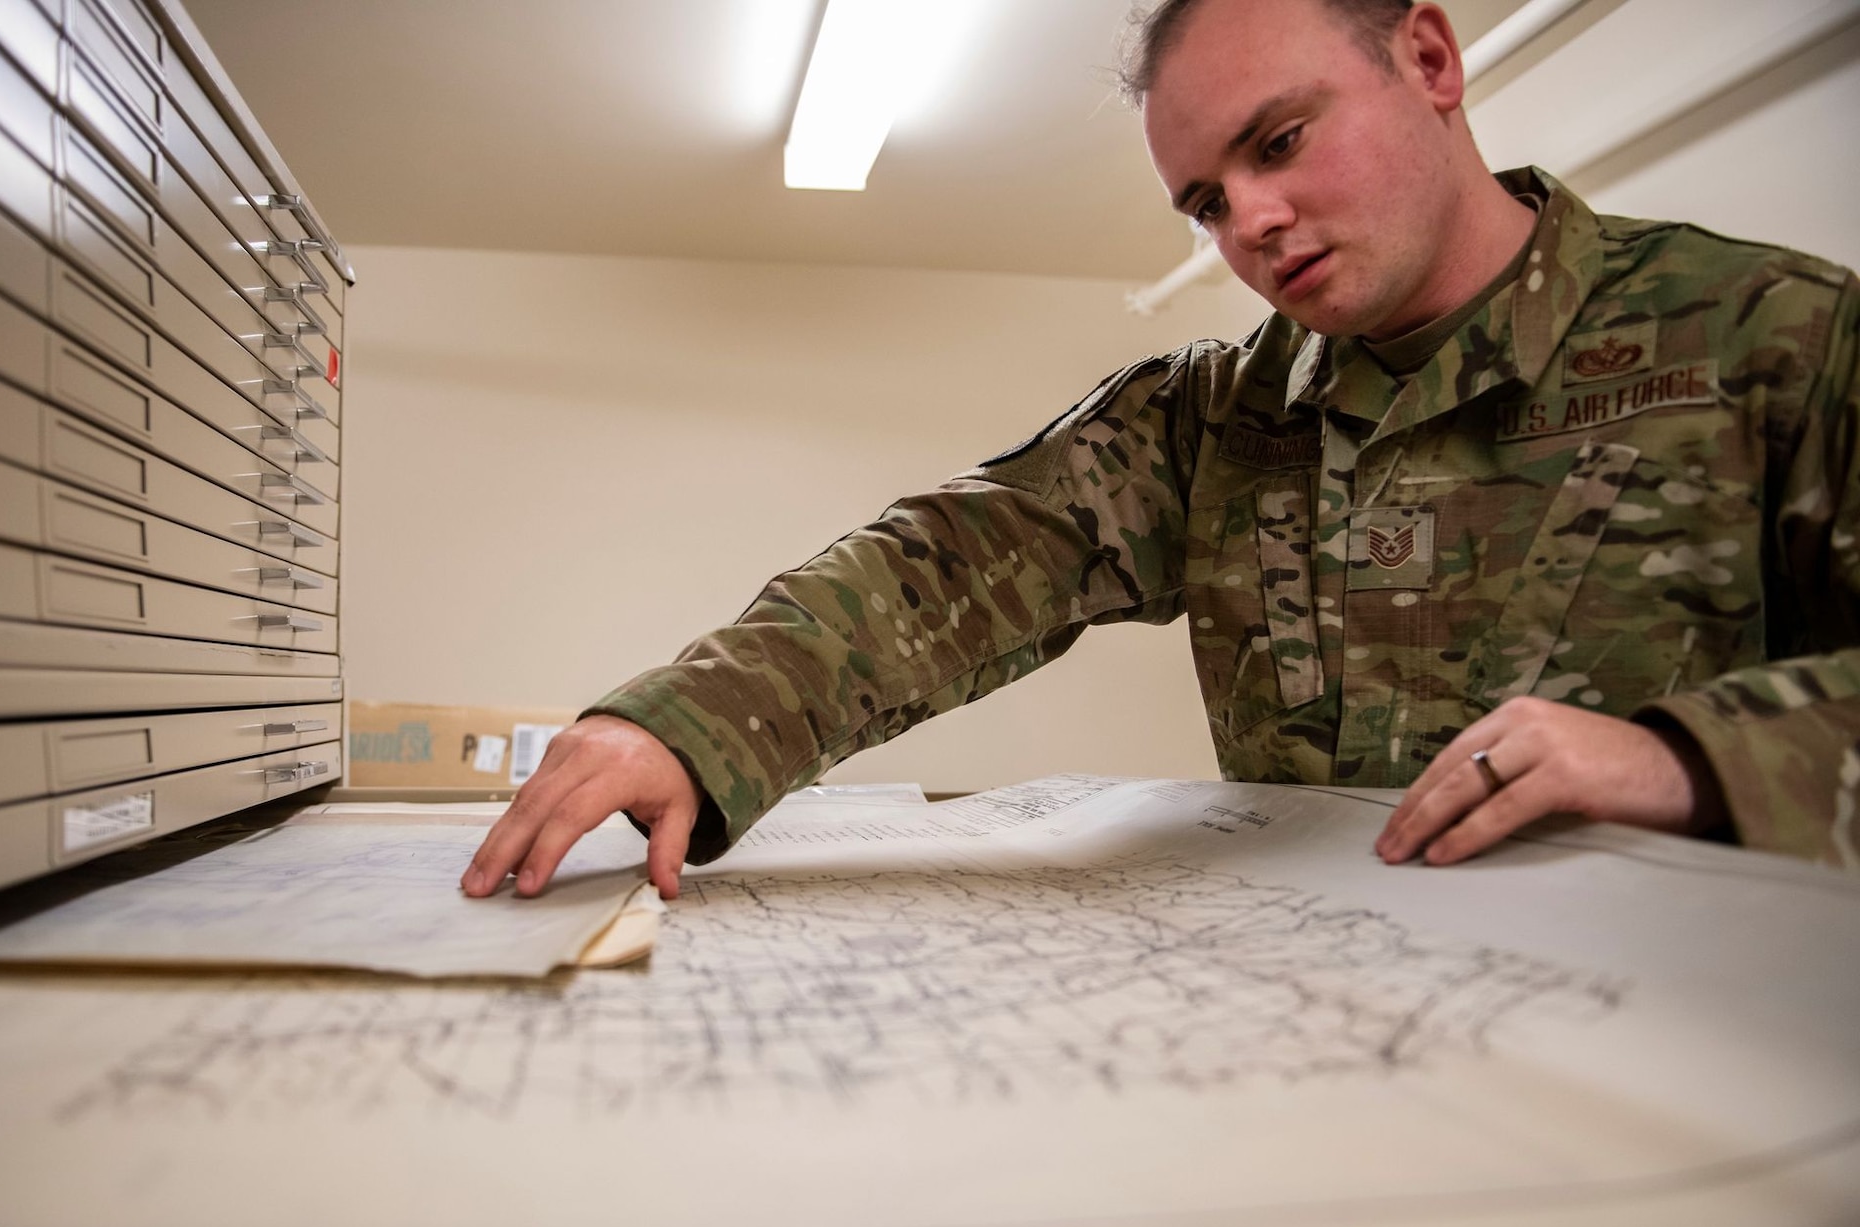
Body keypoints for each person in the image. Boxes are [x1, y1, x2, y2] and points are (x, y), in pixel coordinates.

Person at [461, 0, 1860, 902]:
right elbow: (948, 563)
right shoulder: (1215, 419)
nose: (1250, 220)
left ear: (1429, 59)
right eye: (1205, 199)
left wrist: (1690, 756)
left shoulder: (1768, 335)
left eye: (1283, 140)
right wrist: (683, 724)